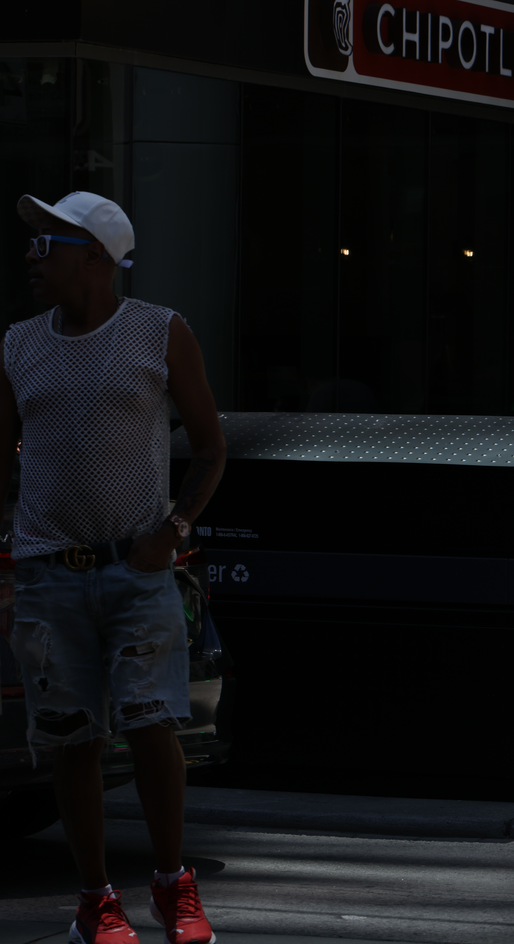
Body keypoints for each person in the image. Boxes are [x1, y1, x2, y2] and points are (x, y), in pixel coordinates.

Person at [5, 192, 227, 944]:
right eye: (32, 243)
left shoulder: (159, 333)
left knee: (153, 723)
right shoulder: (16, 344)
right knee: (71, 737)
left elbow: (210, 443)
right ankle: (96, 900)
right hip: (46, 571)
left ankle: (173, 886)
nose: (31, 257)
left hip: (137, 568)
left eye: (48, 243)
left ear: (94, 253)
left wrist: (173, 529)